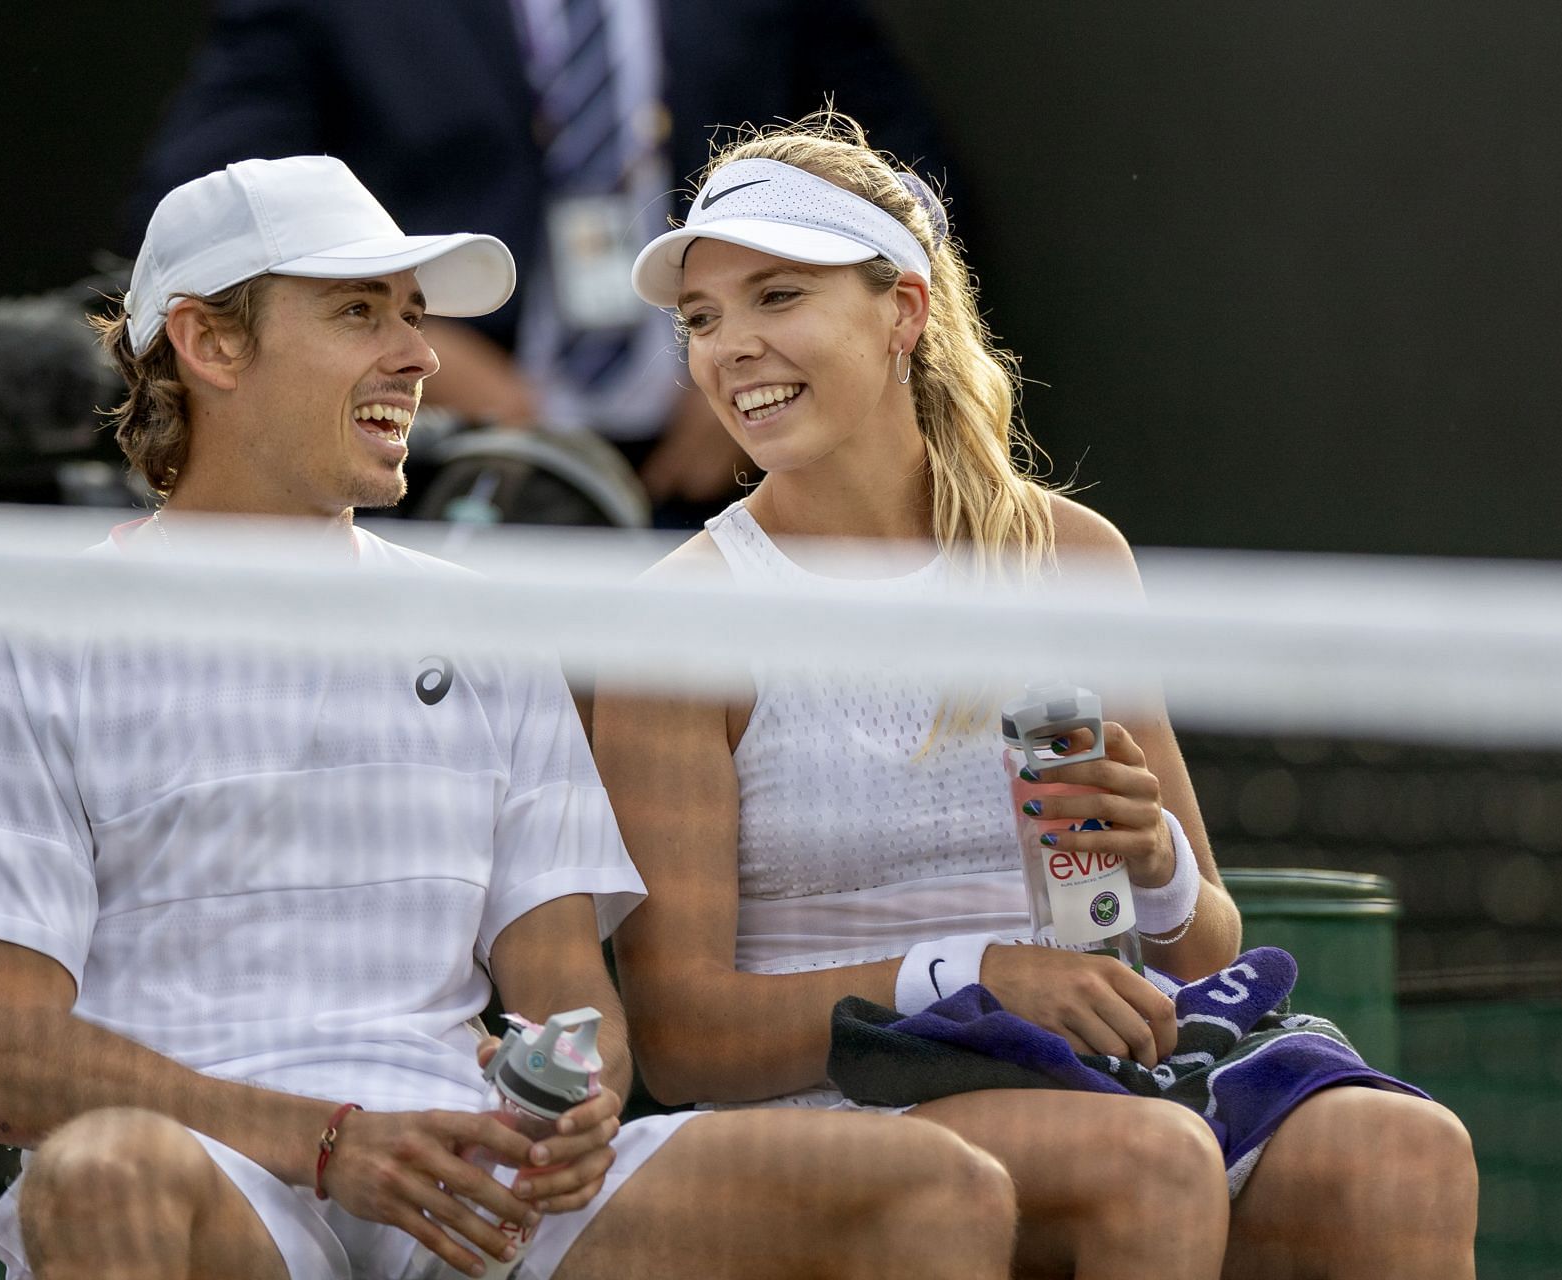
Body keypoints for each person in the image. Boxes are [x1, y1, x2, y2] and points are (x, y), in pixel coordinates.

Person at [0, 154, 1017, 1280]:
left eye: (413, 316)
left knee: (934, 1182)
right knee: (100, 1173)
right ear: (211, 343)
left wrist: (570, 1093)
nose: (418, 356)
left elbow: (571, 995)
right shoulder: (22, 638)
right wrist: (330, 1143)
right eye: (360, 313)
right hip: (209, 1177)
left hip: (467, 1184)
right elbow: (3, 1062)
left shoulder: (485, 626)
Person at [593, 113, 1480, 1279]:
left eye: (776, 297)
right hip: (833, 1107)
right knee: (1145, 1156)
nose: (730, 348)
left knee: (1403, 1150)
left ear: (902, 310)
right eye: (702, 320)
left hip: (1111, 1071)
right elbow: (689, 1037)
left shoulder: (1072, 556)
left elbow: (1208, 937)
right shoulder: (681, 614)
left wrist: (1152, 854)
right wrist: (968, 976)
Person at [124, 0, 959, 524]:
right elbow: (197, 210)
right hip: (450, 474)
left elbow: (905, 185)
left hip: (719, 469)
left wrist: (749, 360)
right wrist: (414, 348)